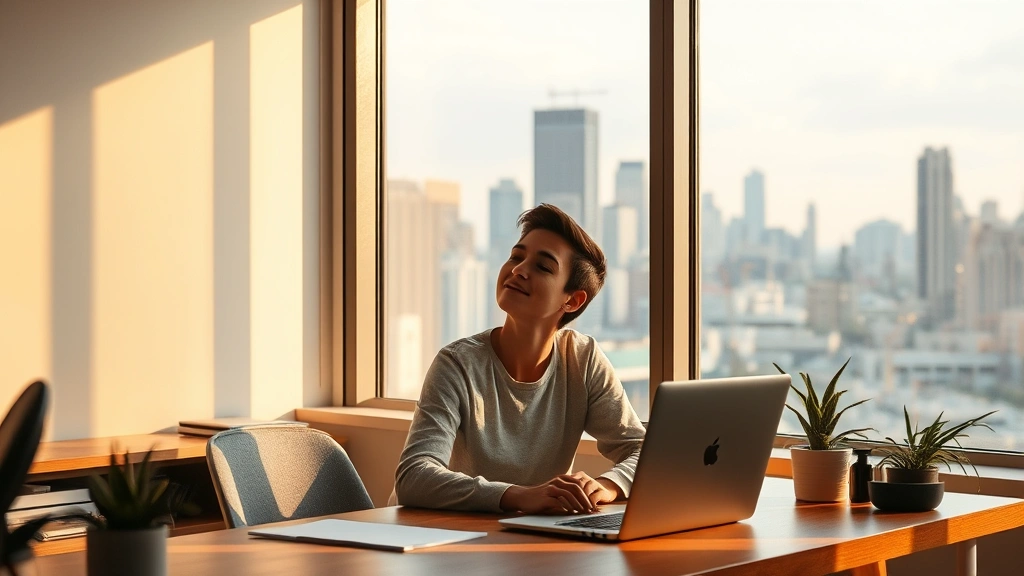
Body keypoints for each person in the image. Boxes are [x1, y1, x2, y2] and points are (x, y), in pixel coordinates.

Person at [393, 203, 645, 514]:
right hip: (444, 541)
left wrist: (608, 485)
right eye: (516, 256)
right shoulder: (457, 363)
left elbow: (643, 450)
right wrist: (520, 496)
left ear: (572, 300)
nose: (518, 269)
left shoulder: (583, 359)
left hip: (531, 541)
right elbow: (414, 476)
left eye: (542, 267)